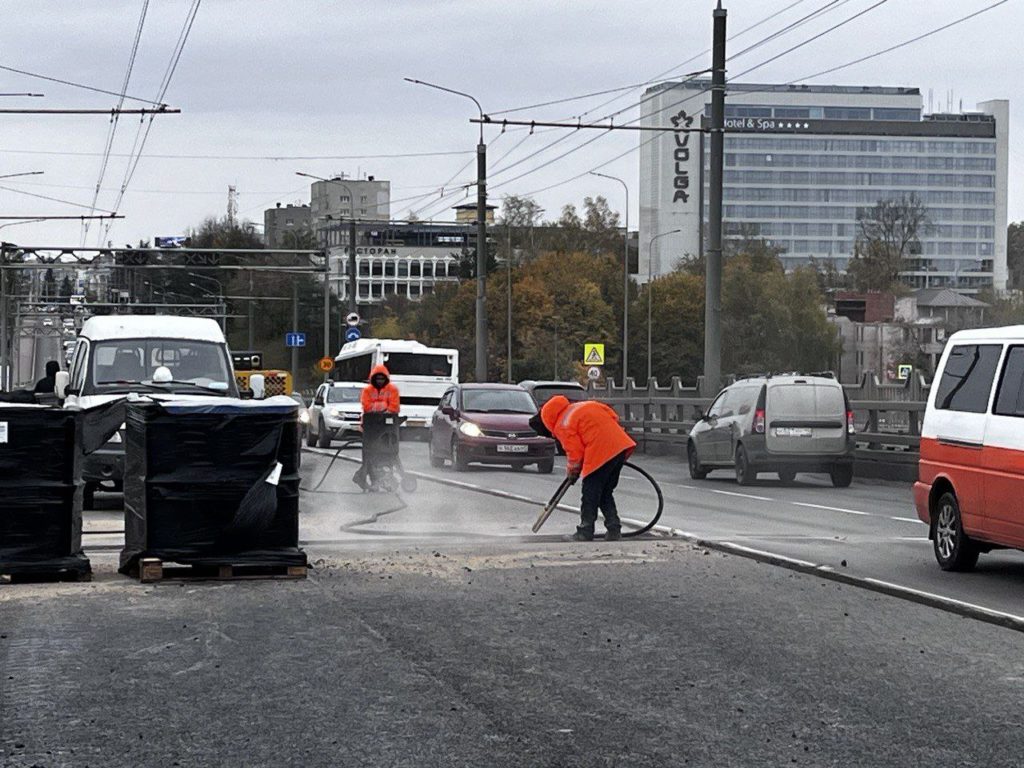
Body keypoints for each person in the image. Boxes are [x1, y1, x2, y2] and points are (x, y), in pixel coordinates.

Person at [534, 395, 637, 542]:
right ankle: (614, 529)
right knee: (605, 492)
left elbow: (574, 452)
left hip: (600, 451)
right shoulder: (584, 406)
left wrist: (573, 471)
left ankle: (585, 531)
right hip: (621, 446)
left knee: (590, 493)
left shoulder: (562, 423)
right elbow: (613, 416)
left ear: (548, 419)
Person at [354, 364, 401, 490]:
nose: (380, 381)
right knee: (369, 455)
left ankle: (385, 477)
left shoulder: (393, 390)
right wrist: (384, 407)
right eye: (377, 379)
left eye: (382, 379)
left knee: (388, 453)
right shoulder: (367, 391)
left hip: (387, 429)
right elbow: (366, 407)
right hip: (370, 428)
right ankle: (371, 478)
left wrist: (378, 408)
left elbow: (395, 407)